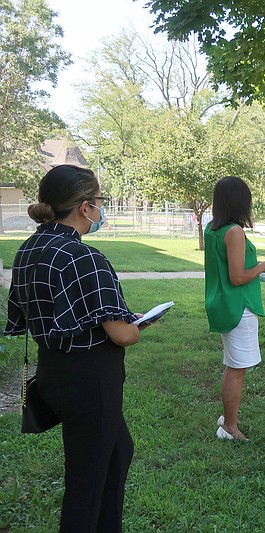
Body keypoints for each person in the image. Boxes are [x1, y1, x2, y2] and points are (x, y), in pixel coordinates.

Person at [4, 164, 147, 532]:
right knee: (87, 483)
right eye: (100, 201)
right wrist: (138, 326)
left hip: (53, 371)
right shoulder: (84, 257)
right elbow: (121, 335)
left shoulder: (28, 250)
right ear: (85, 207)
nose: (101, 208)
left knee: (116, 454)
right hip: (90, 378)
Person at [204, 176, 265, 441]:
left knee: (233, 364)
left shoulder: (212, 229)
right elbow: (237, 277)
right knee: (237, 368)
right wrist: (262, 267)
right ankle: (230, 427)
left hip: (221, 302)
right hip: (237, 307)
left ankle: (227, 418)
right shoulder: (234, 232)